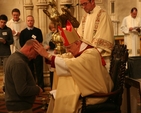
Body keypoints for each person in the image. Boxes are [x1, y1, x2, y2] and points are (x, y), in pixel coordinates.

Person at [33, 21, 114, 113]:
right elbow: (66, 57)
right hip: (88, 89)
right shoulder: (80, 50)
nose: (68, 50)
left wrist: (48, 56)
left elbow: (72, 63)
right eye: (66, 48)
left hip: (96, 92)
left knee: (65, 98)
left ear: (77, 43)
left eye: (69, 47)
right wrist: (48, 56)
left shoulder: (90, 53)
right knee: (61, 95)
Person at [5, 39, 43, 113]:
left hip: (18, 105)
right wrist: (38, 90)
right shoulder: (18, 63)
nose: (35, 57)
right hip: (19, 107)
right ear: (30, 49)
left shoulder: (16, 58)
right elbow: (22, 90)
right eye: (36, 54)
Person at [77, 0, 114, 71]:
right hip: (86, 57)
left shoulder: (102, 14)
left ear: (92, 1)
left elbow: (103, 36)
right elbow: (79, 36)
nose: (84, 7)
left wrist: (90, 54)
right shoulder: (85, 17)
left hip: (100, 57)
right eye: (81, 5)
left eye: (85, 4)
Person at [120, 7, 141, 113]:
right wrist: (129, 29)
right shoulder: (125, 19)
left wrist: (138, 29)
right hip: (129, 39)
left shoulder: (139, 19)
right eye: (133, 14)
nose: (134, 16)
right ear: (130, 13)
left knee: (136, 56)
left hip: (136, 40)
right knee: (129, 56)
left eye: (135, 14)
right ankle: (129, 71)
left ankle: (136, 70)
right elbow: (122, 28)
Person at [19, 15, 44, 91]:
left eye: (31, 20)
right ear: (26, 22)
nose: (30, 22)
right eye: (28, 20)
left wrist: (36, 50)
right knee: (30, 70)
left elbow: (40, 41)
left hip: (37, 53)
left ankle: (41, 86)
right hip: (27, 55)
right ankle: (32, 86)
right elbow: (22, 43)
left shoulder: (38, 31)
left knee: (39, 70)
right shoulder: (23, 32)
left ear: (34, 21)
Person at [0, 14, 13, 90]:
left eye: (4, 22)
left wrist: (5, 41)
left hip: (6, 53)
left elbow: (11, 41)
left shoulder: (8, 30)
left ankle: (5, 86)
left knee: (6, 70)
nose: (3, 24)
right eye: (1, 22)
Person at [43, 21, 57, 89]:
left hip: (56, 53)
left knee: (56, 70)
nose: (53, 29)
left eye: (54, 27)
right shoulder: (48, 35)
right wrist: (46, 46)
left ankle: (56, 86)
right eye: (51, 28)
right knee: (51, 70)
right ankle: (52, 86)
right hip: (49, 52)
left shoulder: (59, 34)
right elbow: (45, 43)